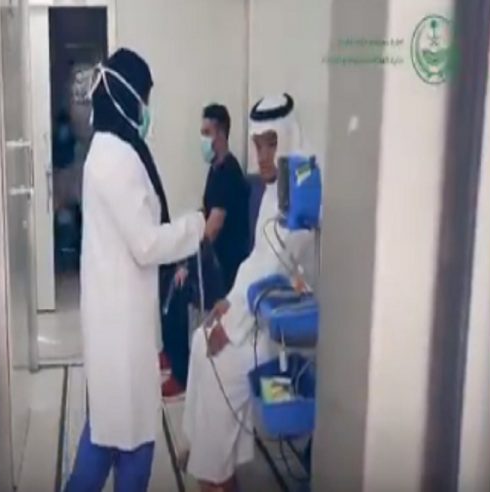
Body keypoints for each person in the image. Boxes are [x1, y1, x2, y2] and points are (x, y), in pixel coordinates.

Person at [65, 48, 205, 492]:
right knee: (131, 439)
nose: (147, 109)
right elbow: (146, 244)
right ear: (128, 97)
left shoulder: (110, 149)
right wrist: (196, 226)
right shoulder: (116, 159)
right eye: (145, 98)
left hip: (117, 316)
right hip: (119, 324)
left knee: (108, 431)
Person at [181, 94, 317, 492]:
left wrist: (231, 325)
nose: (262, 156)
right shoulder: (276, 191)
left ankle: (216, 474)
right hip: (256, 309)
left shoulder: (301, 198)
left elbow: (273, 272)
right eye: (258, 145)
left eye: (272, 144)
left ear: (287, 140)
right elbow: (257, 260)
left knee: (218, 363)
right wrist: (227, 303)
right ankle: (210, 455)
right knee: (199, 341)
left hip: (280, 327)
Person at [161, 104, 252, 398]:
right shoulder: (215, 170)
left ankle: (181, 374)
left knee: (177, 282)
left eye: (206, 132)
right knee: (165, 269)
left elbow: (212, 229)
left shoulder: (228, 173)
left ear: (221, 135)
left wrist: (187, 262)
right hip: (213, 258)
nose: (202, 139)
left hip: (225, 265)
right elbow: (206, 213)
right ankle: (170, 352)